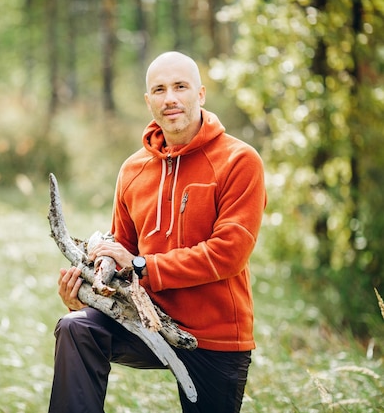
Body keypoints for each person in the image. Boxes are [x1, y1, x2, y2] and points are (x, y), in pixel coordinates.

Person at [47, 51, 267, 413]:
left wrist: (141, 265)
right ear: (148, 101)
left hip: (214, 335)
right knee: (76, 328)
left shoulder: (239, 161)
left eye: (180, 87)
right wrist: (88, 294)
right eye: (159, 90)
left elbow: (228, 254)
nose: (170, 99)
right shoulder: (133, 169)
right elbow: (122, 255)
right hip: (143, 321)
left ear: (201, 94)